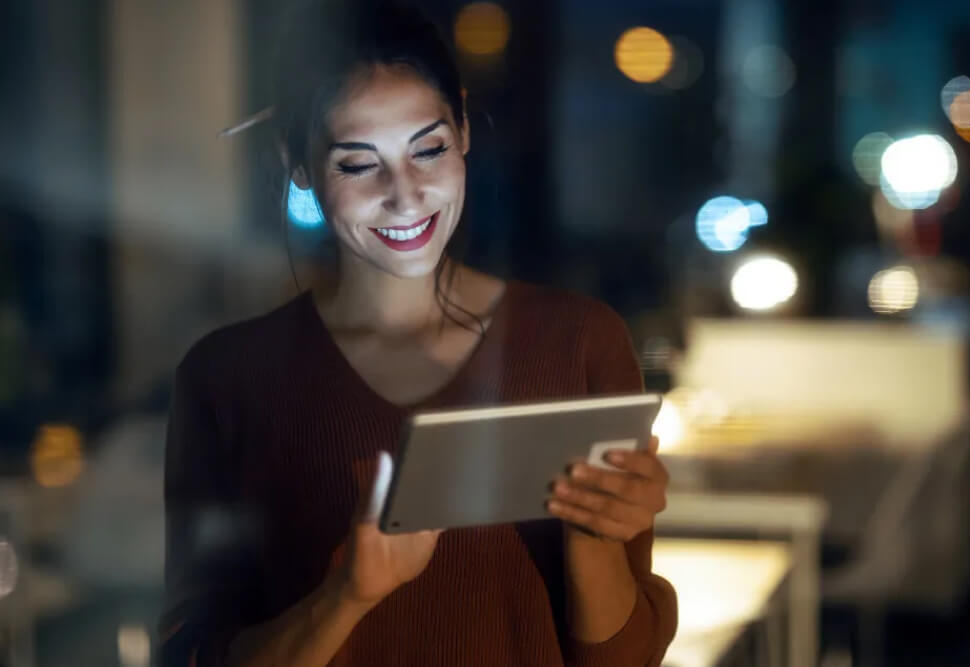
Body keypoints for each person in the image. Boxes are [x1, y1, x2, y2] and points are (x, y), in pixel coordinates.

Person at [158, 1, 677, 665]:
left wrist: (595, 532)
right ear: (297, 162)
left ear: (462, 126)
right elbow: (189, 655)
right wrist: (345, 595)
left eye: (427, 149)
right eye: (357, 163)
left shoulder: (578, 342)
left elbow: (624, 659)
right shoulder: (227, 378)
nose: (405, 196)